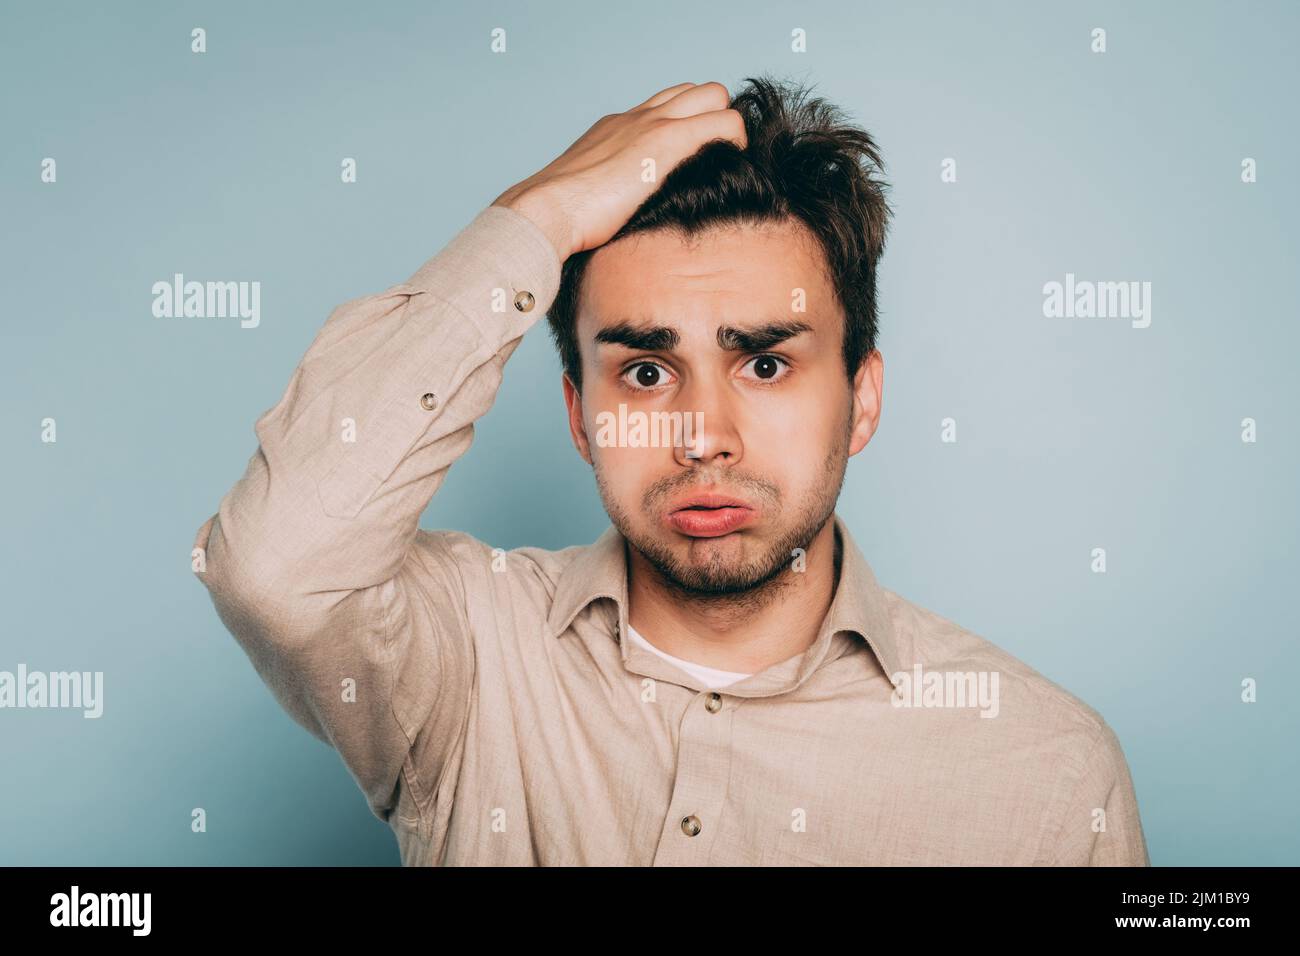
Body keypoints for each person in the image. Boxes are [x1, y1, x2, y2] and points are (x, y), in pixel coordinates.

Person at [192, 76, 1149, 866]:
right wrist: (537, 218)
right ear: (579, 417)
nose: (703, 435)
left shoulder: (1045, 770)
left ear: (861, 398)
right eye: (647, 372)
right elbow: (274, 564)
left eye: (765, 363)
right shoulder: (469, 662)